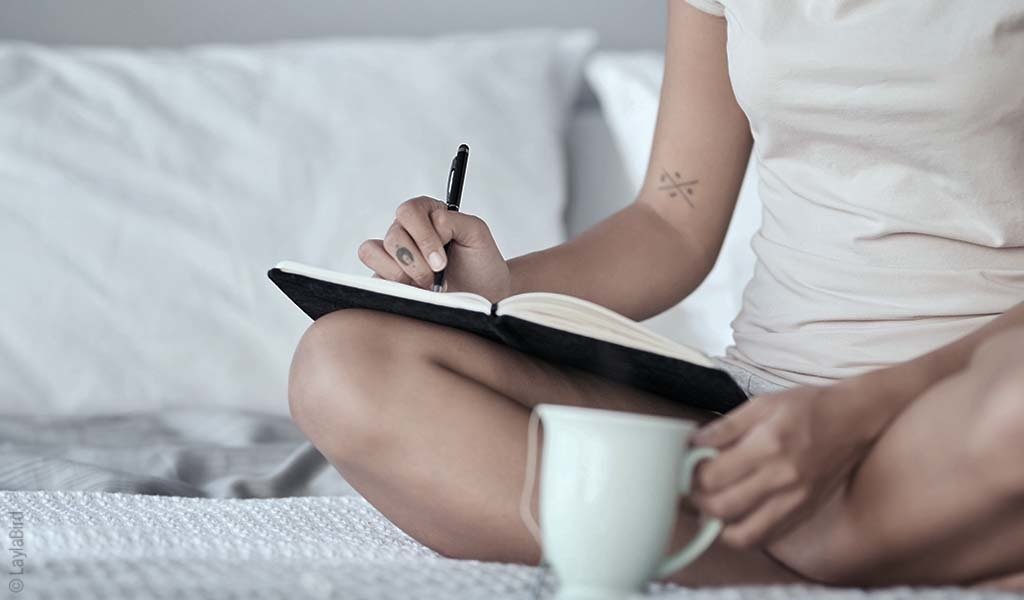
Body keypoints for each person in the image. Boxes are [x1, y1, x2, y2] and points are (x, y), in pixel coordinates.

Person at [287, 0, 1024, 588]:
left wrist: (851, 415)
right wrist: (501, 290)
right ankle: (835, 563)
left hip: (960, 405)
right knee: (345, 364)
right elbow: (671, 222)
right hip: (749, 418)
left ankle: (684, 537)